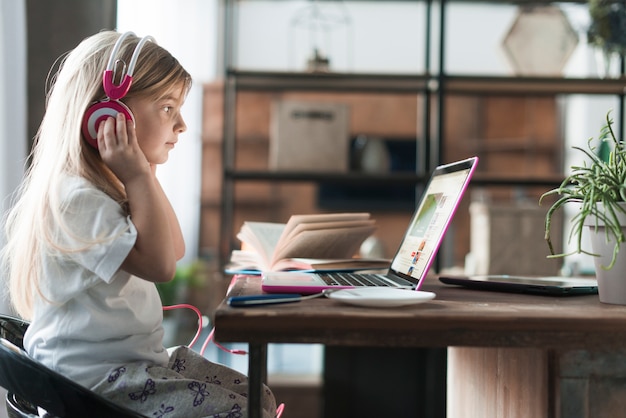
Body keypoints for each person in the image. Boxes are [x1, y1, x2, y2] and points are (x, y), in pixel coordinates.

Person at [1, 30, 277, 418]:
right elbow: (161, 265)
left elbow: (175, 247)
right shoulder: (77, 199)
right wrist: (138, 177)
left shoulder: (106, 188)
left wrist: (143, 172)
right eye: (167, 108)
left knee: (257, 398)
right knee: (245, 412)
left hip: (126, 364)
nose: (181, 124)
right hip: (94, 380)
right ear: (110, 117)